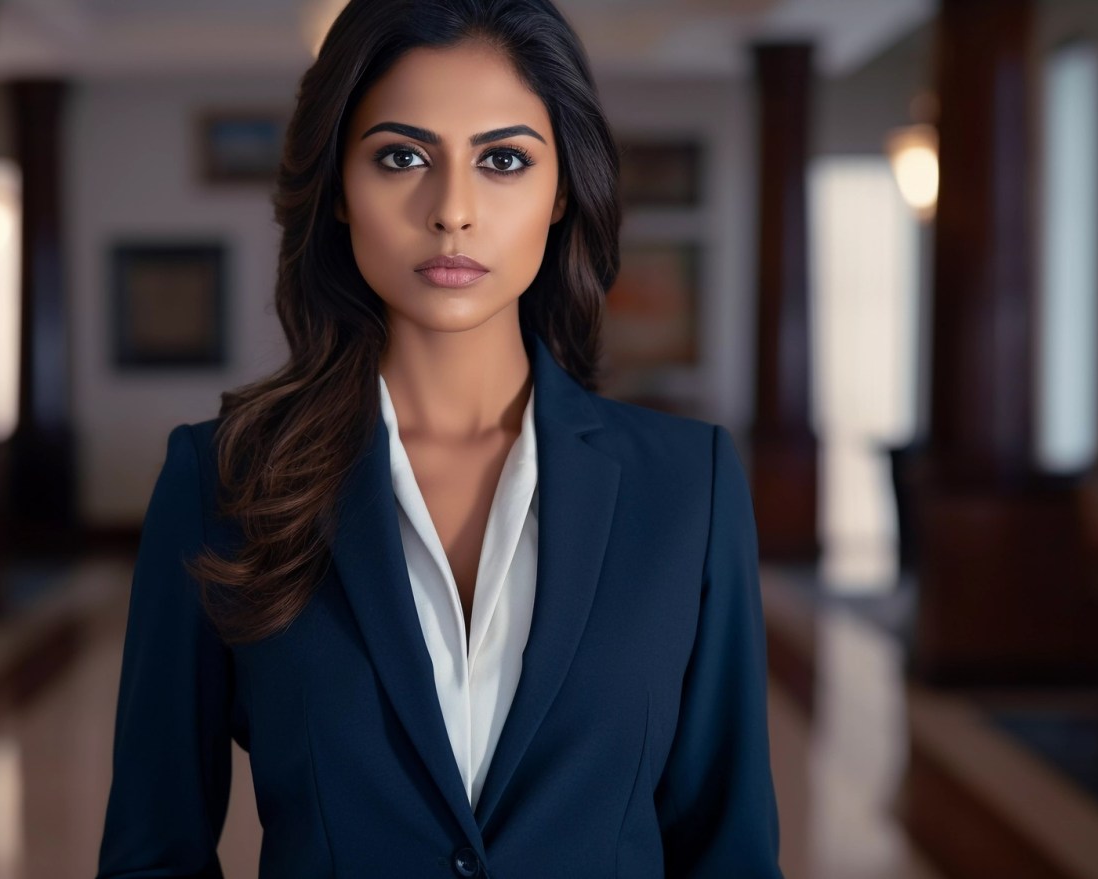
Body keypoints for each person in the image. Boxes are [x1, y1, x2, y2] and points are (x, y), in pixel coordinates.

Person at [96, 0, 784, 876]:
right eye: (401, 156)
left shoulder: (690, 486)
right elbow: (152, 853)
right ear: (341, 191)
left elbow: (730, 855)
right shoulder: (221, 479)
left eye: (503, 160)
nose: (452, 209)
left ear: (562, 188)